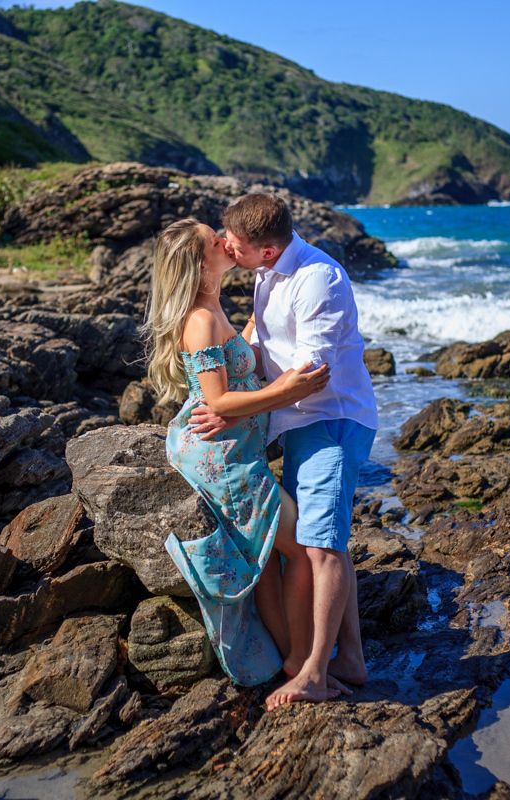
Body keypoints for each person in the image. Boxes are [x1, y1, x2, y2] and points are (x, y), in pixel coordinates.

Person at [140, 217, 346, 693]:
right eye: (215, 240)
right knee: (301, 550)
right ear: (199, 261)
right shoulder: (199, 320)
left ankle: (288, 656)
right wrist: (284, 390)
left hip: (239, 451)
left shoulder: (215, 309)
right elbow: (217, 403)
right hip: (223, 461)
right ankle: (299, 659)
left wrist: (263, 312)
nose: (226, 242)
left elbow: (243, 350)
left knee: (275, 557)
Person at [191, 194, 378, 707]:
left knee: (319, 543)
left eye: (237, 244)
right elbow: (263, 337)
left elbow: (310, 377)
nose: (227, 247)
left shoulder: (319, 279)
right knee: (323, 538)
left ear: (268, 251)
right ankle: (351, 659)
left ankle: (314, 673)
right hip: (292, 425)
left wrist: (233, 409)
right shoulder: (264, 272)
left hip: (330, 419)